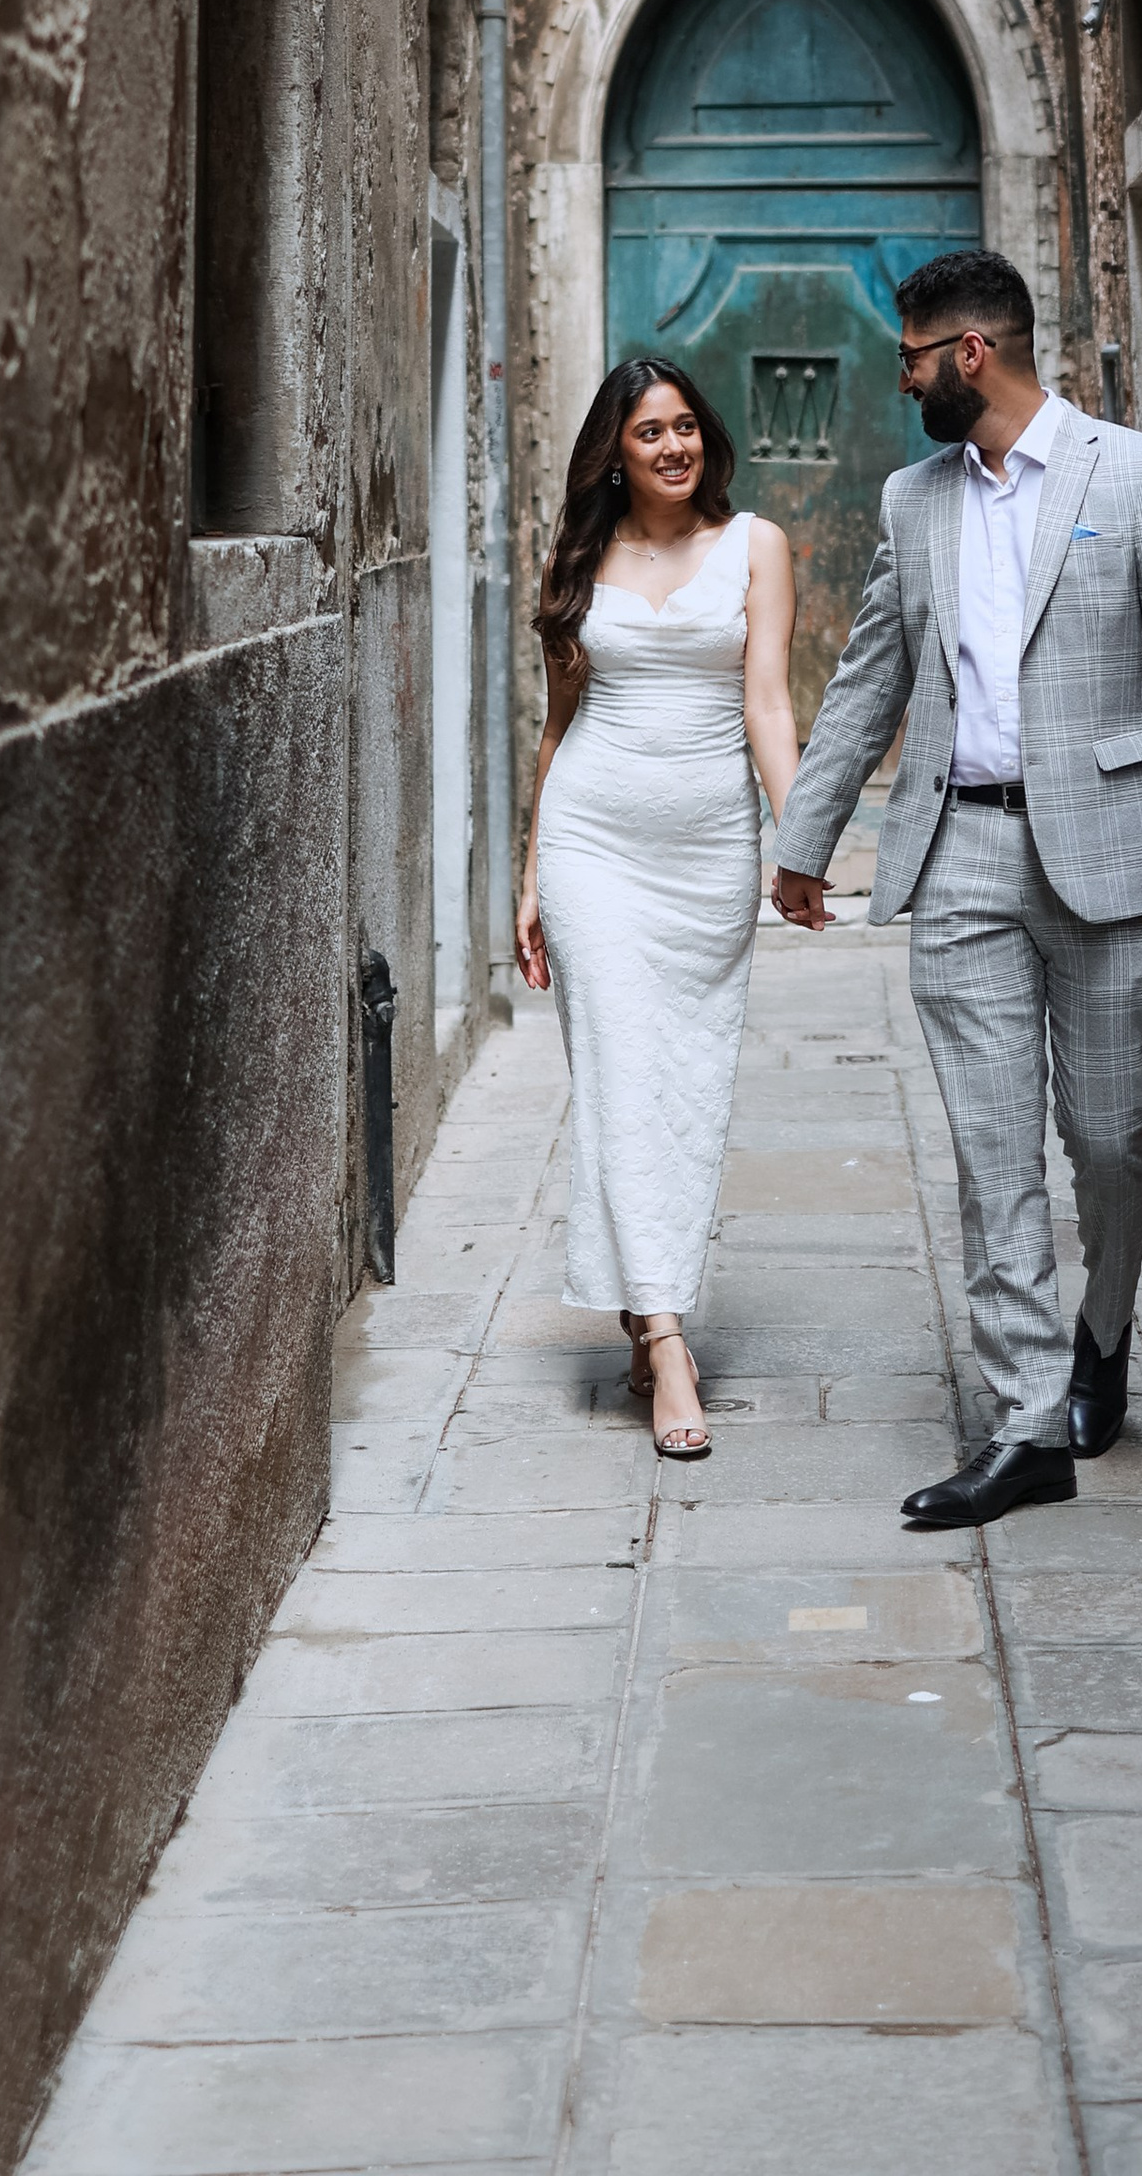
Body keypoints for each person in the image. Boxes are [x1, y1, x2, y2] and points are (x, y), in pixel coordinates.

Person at [769, 249, 1142, 1527]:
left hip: (1108, 853)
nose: (901, 380)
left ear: (968, 354)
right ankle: (1026, 1422)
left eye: (910, 358)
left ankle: (1103, 1332)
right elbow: (871, 675)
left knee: (1106, 1136)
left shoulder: (1132, 475)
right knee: (993, 1154)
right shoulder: (911, 500)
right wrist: (805, 839)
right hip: (960, 851)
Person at [516, 355, 801, 1460]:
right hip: (592, 843)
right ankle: (669, 1338)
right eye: (649, 432)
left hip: (706, 853)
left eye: (685, 426)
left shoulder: (756, 545)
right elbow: (559, 726)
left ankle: (645, 1301)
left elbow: (768, 704)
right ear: (615, 453)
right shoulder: (578, 559)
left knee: (684, 1081)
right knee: (620, 1074)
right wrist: (533, 874)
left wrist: (799, 842)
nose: (673, 446)